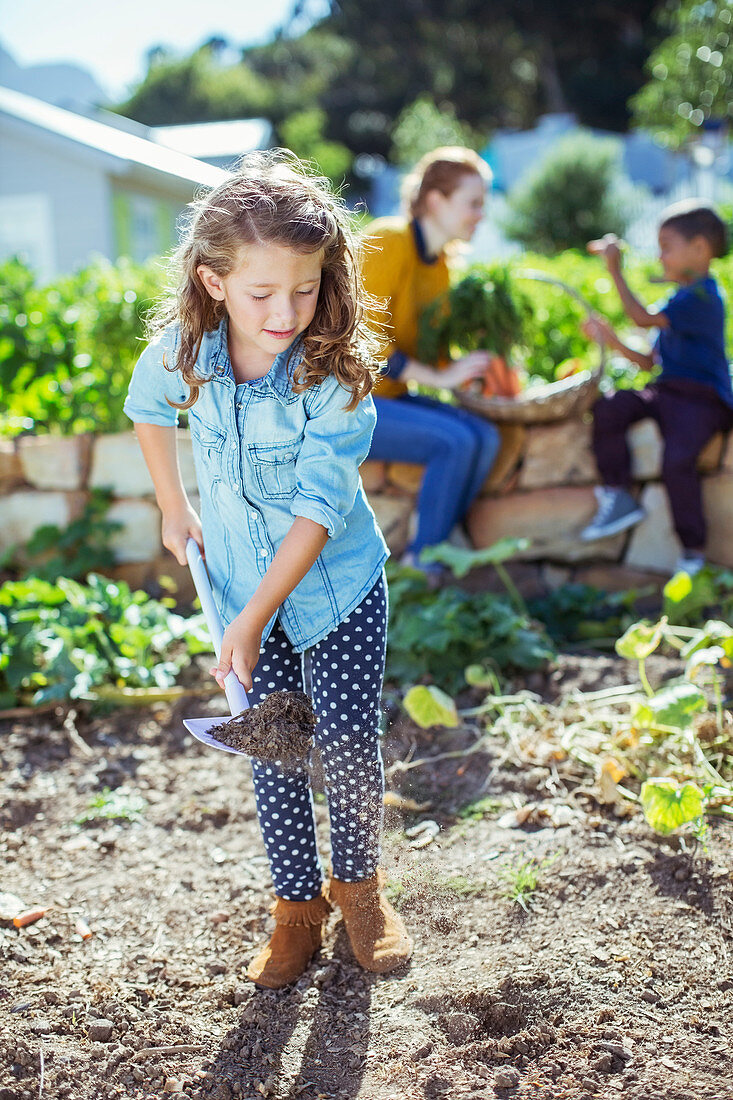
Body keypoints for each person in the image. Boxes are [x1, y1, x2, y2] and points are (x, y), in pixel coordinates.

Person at [123, 150, 412, 989]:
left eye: (305, 288)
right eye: (261, 293)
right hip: (242, 583)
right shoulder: (190, 348)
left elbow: (320, 511)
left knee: (348, 745)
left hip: (336, 587)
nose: (286, 311)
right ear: (214, 283)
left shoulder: (337, 375)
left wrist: (250, 620)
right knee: (274, 749)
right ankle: (295, 910)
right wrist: (173, 507)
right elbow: (147, 410)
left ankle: (358, 890)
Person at [362, 147, 510, 569]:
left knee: (486, 437)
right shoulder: (388, 240)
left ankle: (439, 543)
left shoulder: (441, 267)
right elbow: (359, 337)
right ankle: (422, 565)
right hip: (339, 401)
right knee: (454, 441)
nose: (480, 214)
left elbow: (434, 356)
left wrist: (480, 367)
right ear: (435, 201)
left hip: (388, 397)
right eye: (473, 203)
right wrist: (439, 377)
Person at [580, 200, 732, 576]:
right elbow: (651, 363)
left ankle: (693, 551)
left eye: (667, 246)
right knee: (610, 407)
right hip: (666, 392)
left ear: (699, 248)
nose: (660, 256)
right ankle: (617, 493)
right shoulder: (678, 299)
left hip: (701, 398)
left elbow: (641, 317)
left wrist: (615, 270)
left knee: (677, 461)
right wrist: (612, 341)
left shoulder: (703, 298)